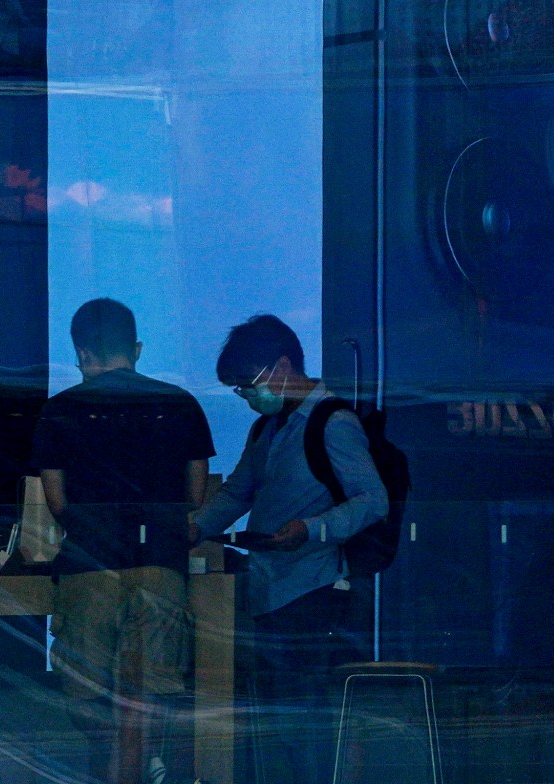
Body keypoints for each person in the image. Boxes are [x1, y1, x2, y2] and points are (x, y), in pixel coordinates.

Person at [190, 315, 387, 784]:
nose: (246, 396)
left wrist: (313, 530)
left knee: (304, 724)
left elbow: (374, 499)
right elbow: (239, 491)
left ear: (281, 367)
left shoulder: (332, 422)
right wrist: (194, 527)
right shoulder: (269, 429)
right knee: (280, 725)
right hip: (271, 591)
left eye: (247, 384)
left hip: (315, 593)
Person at [31, 297, 216, 784]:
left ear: (82, 353)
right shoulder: (181, 404)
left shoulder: (60, 409)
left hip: (88, 566)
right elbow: (195, 492)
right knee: (150, 689)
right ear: (136, 347)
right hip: (159, 563)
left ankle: (115, 768)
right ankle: (140, 763)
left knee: (87, 690)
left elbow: (54, 498)